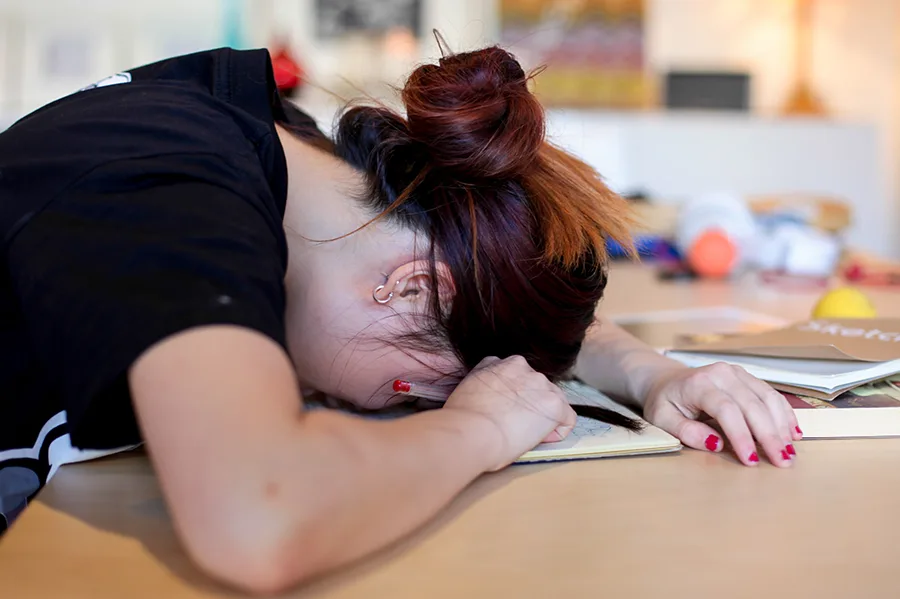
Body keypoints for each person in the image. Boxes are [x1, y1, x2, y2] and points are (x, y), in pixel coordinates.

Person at [0, 45, 801, 593]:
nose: (390, 405)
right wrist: (474, 431)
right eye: (412, 394)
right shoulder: (171, 179)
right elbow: (260, 514)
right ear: (412, 289)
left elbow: (480, 306)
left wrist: (651, 373)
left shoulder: (297, 166)